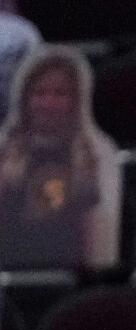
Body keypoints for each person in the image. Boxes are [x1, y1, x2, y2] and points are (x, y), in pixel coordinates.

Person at [0, 45, 121, 269]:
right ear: (25, 99)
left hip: (74, 278)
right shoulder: (3, 150)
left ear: (77, 100)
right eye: (40, 93)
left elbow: (101, 234)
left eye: (60, 94)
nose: (49, 104)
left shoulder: (99, 154)